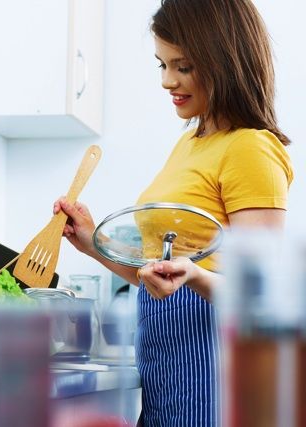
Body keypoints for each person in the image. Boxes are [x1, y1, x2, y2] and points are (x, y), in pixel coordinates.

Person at [53, 0, 293, 425]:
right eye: (161, 64)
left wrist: (196, 276)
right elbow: (159, 274)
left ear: (223, 59)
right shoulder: (189, 144)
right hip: (167, 376)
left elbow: (263, 297)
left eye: (182, 66)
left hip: (215, 376)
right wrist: (92, 242)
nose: (167, 81)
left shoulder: (251, 148)